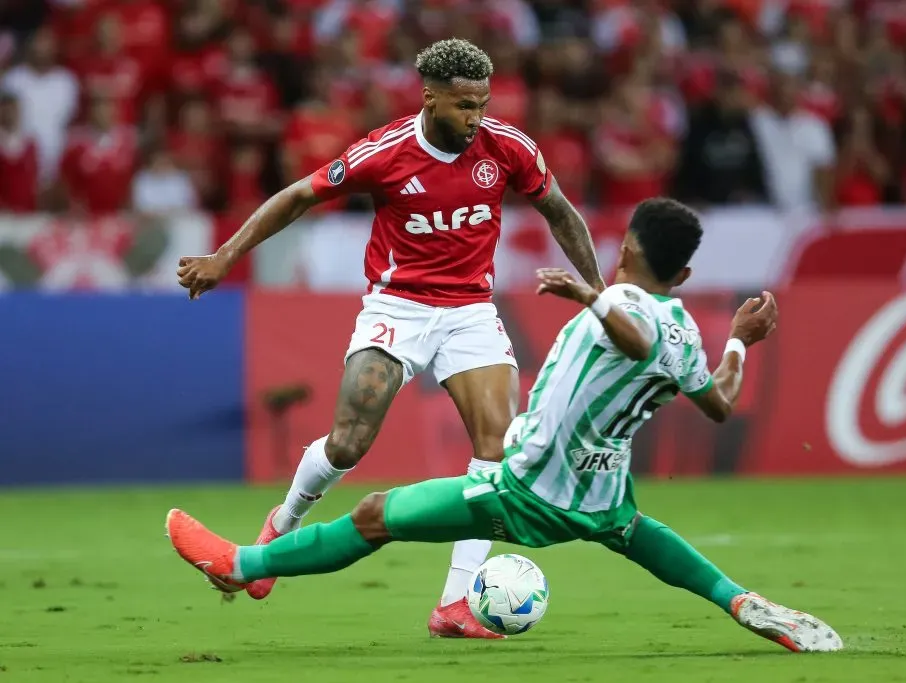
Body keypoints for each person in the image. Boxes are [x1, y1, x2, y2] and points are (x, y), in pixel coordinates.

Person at [167, 198, 843, 654]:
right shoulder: (688, 330)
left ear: (623, 247)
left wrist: (591, 296)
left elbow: (630, 337)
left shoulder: (622, 301)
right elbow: (720, 403)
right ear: (686, 271)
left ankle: (240, 565)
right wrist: (741, 343)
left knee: (375, 514)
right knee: (637, 533)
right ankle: (740, 600)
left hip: (527, 491)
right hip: (601, 495)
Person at [174, 38, 604, 638]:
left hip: (471, 311)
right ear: (430, 98)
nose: (474, 118)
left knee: (496, 454)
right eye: (462, 107)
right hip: (397, 308)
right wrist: (225, 256)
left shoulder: (507, 148)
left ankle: (456, 604)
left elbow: (560, 211)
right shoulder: (388, 151)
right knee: (349, 444)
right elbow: (299, 195)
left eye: (481, 104)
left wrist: (602, 295)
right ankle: (284, 522)